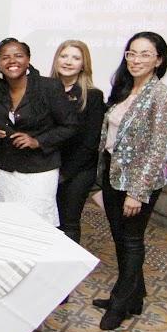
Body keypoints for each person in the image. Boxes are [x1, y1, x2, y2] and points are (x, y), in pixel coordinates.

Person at [93, 32, 167, 330]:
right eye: (131, 53)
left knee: (132, 241)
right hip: (113, 172)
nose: (136, 60)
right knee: (120, 238)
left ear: (158, 60)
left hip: (139, 179)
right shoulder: (124, 88)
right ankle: (134, 295)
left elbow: (159, 147)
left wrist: (137, 192)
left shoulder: (160, 95)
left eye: (145, 54)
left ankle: (120, 303)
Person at [0, 38, 78, 226]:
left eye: (18, 56)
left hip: (39, 170)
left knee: (35, 224)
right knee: (3, 222)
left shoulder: (49, 87)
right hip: (4, 168)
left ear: (28, 60)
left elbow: (70, 126)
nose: (12, 61)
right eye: (5, 57)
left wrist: (38, 141)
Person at [50, 40, 105, 244]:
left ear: (84, 64)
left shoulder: (93, 95)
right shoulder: (45, 89)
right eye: (64, 56)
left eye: (75, 58)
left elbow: (90, 143)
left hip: (77, 170)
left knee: (68, 222)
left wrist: (64, 174)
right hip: (48, 167)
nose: (68, 62)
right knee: (47, 219)